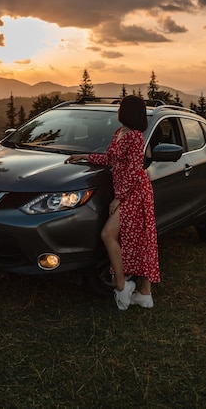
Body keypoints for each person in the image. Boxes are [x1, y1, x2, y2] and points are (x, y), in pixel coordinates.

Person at [65, 95, 160, 310]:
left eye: (121, 108)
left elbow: (136, 169)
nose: (118, 110)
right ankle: (141, 292)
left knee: (110, 234)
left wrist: (119, 197)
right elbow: (110, 159)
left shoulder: (136, 137)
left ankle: (123, 286)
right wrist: (83, 156)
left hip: (135, 193)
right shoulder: (120, 133)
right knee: (133, 239)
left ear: (127, 112)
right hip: (126, 192)